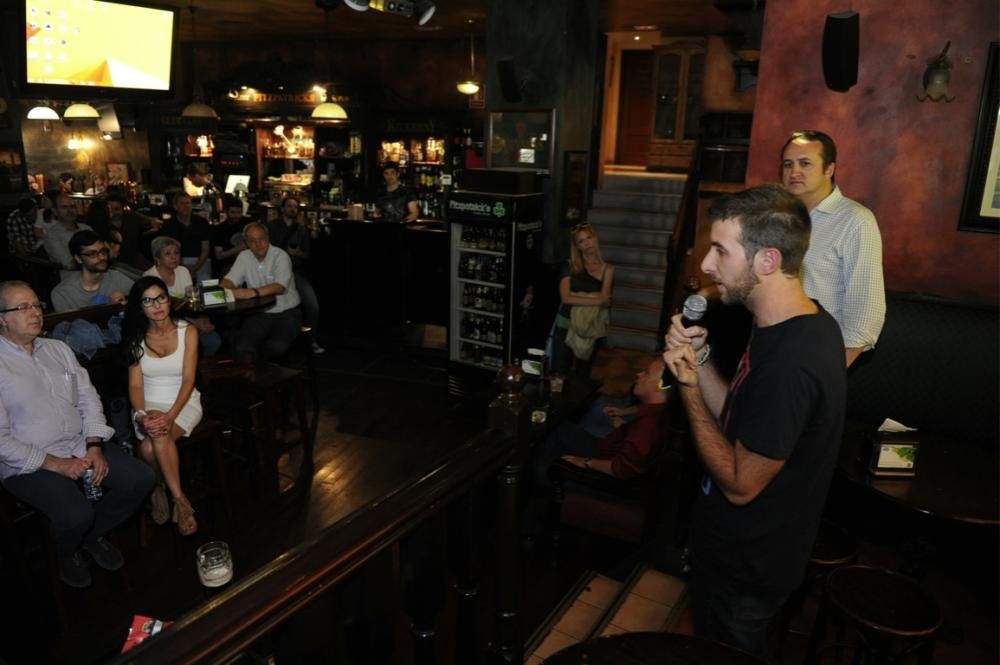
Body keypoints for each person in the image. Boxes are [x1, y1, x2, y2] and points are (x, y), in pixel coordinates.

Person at [661, 185, 846, 660]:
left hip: (747, 571)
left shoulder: (792, 364)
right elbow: (739, 415)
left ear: (766, 260)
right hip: (729, 552)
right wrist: (699, 361)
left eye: (721, 250)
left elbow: (742, 484)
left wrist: (685, 390)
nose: (705, 264)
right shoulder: (787, 325)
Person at [0, 280, 155, 588]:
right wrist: (55, 464)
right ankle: (65, 551)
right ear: (2, 318)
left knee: (141, 479)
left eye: (37, 305)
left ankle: (90, 536)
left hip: (79, 444)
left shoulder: (58, 349)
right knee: (76, 514)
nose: (35, 313)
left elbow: (87, 397)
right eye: (23, 307)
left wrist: (95, 444)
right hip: (28, 461)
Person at [781, 130, 885, 367]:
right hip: (775, 345)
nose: (794, 172)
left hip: (820, 353)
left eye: (805, 163)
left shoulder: (856, 220)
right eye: (788, 164)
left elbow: (865, 310)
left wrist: (829, 375)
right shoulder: (779, 217)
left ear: (829, 169)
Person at [123, 277, 202, 536]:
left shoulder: (187, 331)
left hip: (183, 401)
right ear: (140, 307)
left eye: (161, 297)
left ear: (169, 299)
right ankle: (179, 498)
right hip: (147, 405)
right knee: (151, 440)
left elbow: (189, 380)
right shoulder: (136, 338)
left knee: (150, 445)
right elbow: (135, 387)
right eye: (148, 300)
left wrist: (170, 415)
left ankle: (161, 489)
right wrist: (143, 415)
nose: (156, 305)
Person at [220, 222, 301, 361]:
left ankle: (260, 373)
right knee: (242, 346)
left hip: (287, 312)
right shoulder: (244, 256)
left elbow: (279, 287)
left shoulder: (281, 256)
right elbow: (230, 280)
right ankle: (254, 373)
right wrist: (225, 287)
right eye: (252, 241)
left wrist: (251, 292)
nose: (258, 244)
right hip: (259, 312)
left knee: (276, 346)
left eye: (262, 239)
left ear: (268, 238)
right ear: (246, 243)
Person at [550, 223, 614, 377]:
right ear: (577, 246)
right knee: (559, 372)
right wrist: (596, 299)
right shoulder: (569, 265)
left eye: (589, 238)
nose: (586, 243)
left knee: (583, 374)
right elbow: (565, 297)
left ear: (595, 238)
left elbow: (605, 301)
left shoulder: (608, 269)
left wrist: (579, 297)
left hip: (590, 326)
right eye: (581, 241)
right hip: (565, 322)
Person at [143, 236, 221, 356]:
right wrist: (195, 322)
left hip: (186, 320)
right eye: (167, 253)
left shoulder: (183, 271)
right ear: (157, 258)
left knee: (214, 340)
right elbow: (163, 313)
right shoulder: (149, 277)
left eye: (176, 253)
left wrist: (203, 319)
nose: (173, 257)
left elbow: (191, 301)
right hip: (162, 326)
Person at [268, 197, 324, 353]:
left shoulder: (301, 229)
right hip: (277, 273)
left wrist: (298, 252)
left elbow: (307, 254)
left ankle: (311, 340)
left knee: (312, 306)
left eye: (295, 206)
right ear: (282, 208)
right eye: (289, 206)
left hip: (296, 272)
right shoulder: (272, 227)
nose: (292, 209)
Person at [51, 230, 134, 312]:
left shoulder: (116, 277)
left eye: (103, 251)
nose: (102, 257)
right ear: (78, 258)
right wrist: (110, 308)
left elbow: (143, 296)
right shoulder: (62, 293)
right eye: (93, 254)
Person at [160, 192, 212, 283]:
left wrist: (196, 267)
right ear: (175, 206)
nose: (186, 206)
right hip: (177, 260)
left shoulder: (202, 222)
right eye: (182, 203)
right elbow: (167, 249)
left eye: (188, 203)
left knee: (205, 283)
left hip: (201, 260)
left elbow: (206, 249)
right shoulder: (168, 224)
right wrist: (183, 267)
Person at [43, 193, 92, 271]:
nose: (70, 211)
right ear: (55, 211)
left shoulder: (86, 228)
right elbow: (69, 265)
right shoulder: (52, 236)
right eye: (64, 207)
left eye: (72, 207)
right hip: (73, 277)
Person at [211, 196, 248, 278]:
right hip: (229, 265)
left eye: (239, 212)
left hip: (250, 262)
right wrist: (240, 248)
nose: (236, 215)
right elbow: (219, 255)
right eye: (233, 212)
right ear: (226, 212)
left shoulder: (248, 225)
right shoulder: (220, 229)